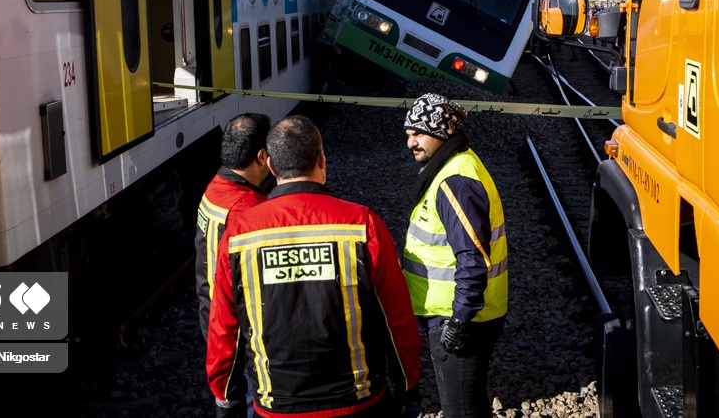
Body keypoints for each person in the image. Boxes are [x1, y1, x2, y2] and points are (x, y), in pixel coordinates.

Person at [207, 115, 421, 418]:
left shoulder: (240, 233)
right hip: (359, 402)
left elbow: (224, 326)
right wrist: (408, 385)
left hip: (276, 405)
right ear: (322, 159)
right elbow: (396, 317)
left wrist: (226, 398)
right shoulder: (361, 223)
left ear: (271, 166)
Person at [400, 93, 508, 418]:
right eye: (408, 134)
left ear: (442, 132)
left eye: (418, 133)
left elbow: (473, 257)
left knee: (460, 409)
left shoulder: (455, 181)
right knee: (469, 402)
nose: (410, 142)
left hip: (459, 317)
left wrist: (459, 320)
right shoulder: (453, 167)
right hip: (457, 313)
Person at [196, 113, 275, 418]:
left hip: (214, 316)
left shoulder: (215, 188)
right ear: (262, 156)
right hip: (237, 331)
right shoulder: (246, 210)